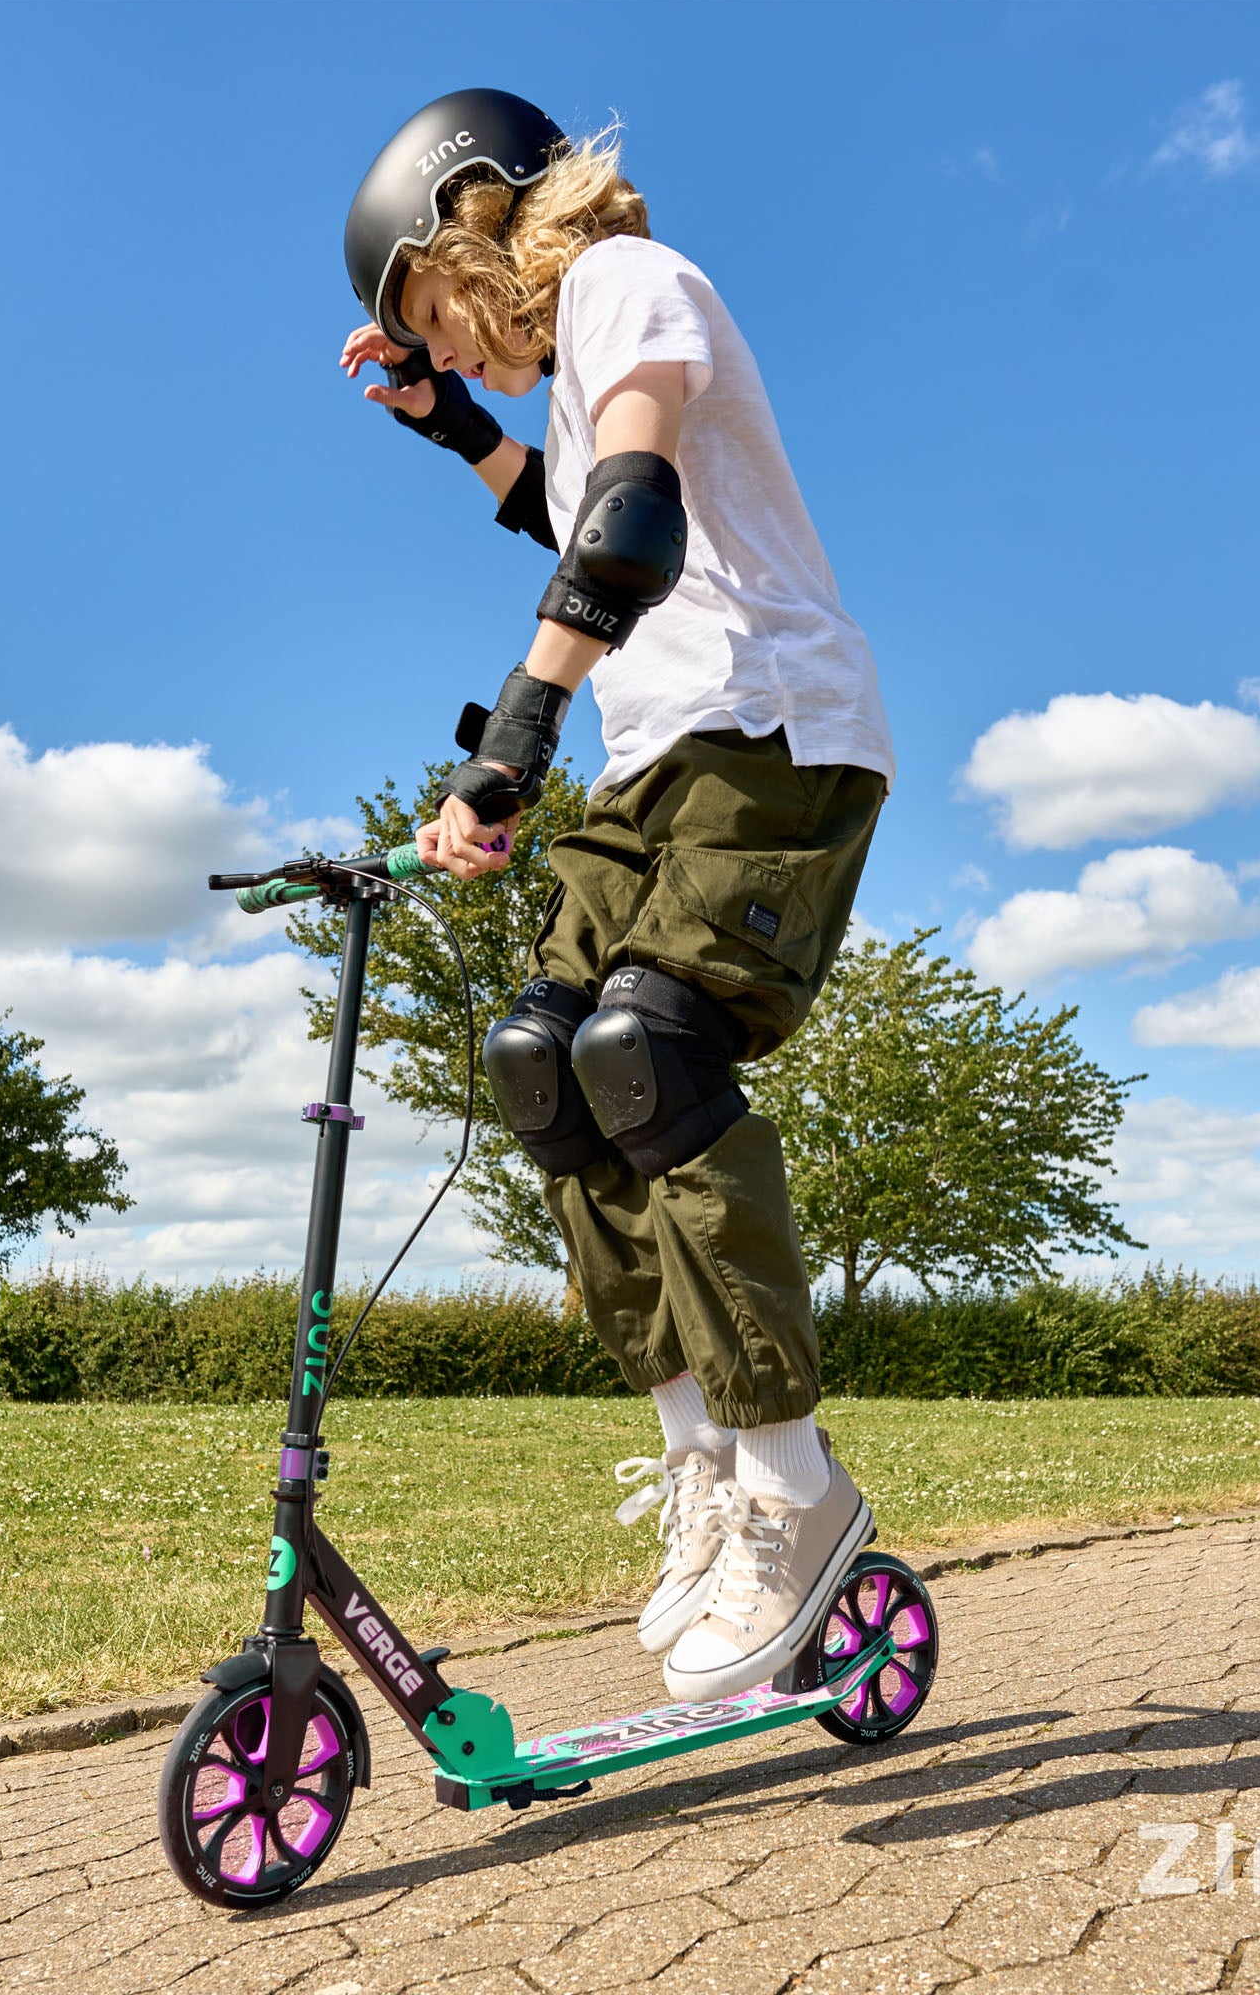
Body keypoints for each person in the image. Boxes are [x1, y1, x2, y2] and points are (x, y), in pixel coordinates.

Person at [340, 90, 894, 1703]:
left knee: (652, 1045)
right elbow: (563, 490)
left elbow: (630, 522)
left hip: (772, 728)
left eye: (433, 302)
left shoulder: (623, 283)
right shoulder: (569, 361)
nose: (452, 335)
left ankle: (798, 1489)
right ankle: (704, 1470)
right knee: (546, 1061)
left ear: (479, 223)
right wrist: (451, 422)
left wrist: (506, 746)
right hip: (656, 766)